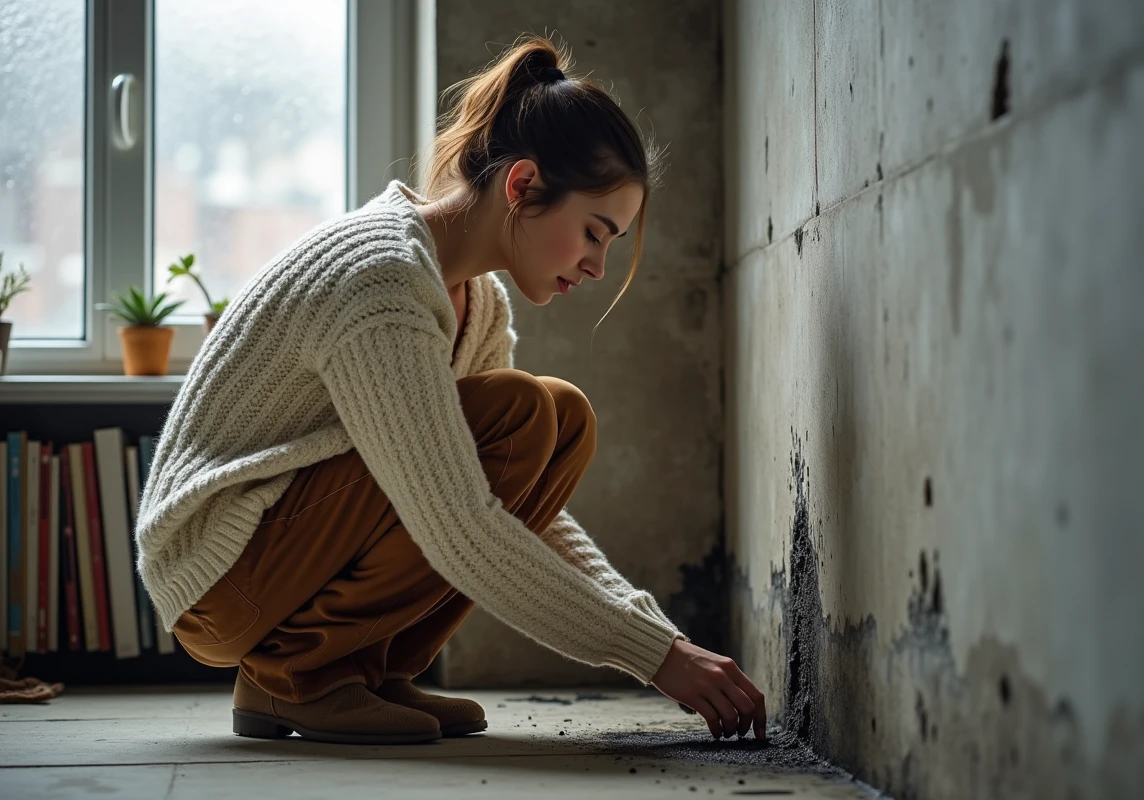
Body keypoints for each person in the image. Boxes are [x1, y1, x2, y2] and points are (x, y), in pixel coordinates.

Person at [135, 34, 766, 746]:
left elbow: (512, 511)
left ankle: (359, 671)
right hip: (218, 576)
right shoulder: (382, 279)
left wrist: (657, 635)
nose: (597, 265)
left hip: (281, 548)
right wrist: (657, 659)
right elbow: (458, 524)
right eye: (595, 232)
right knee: (525, 414)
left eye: (611, 243)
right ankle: (297, 678)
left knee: (561, 419)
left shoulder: (479, 302)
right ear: (522, 187)